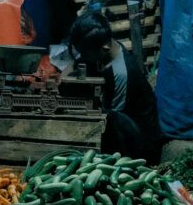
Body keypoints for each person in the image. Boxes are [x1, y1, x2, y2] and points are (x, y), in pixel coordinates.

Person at [68, 11, 162, 164]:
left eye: (85, 53)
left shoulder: (122, 74)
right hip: (119, 116)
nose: (82, 57)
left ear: (104, 48)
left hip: (139, 137)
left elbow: (111, 121)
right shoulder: (107, 46)